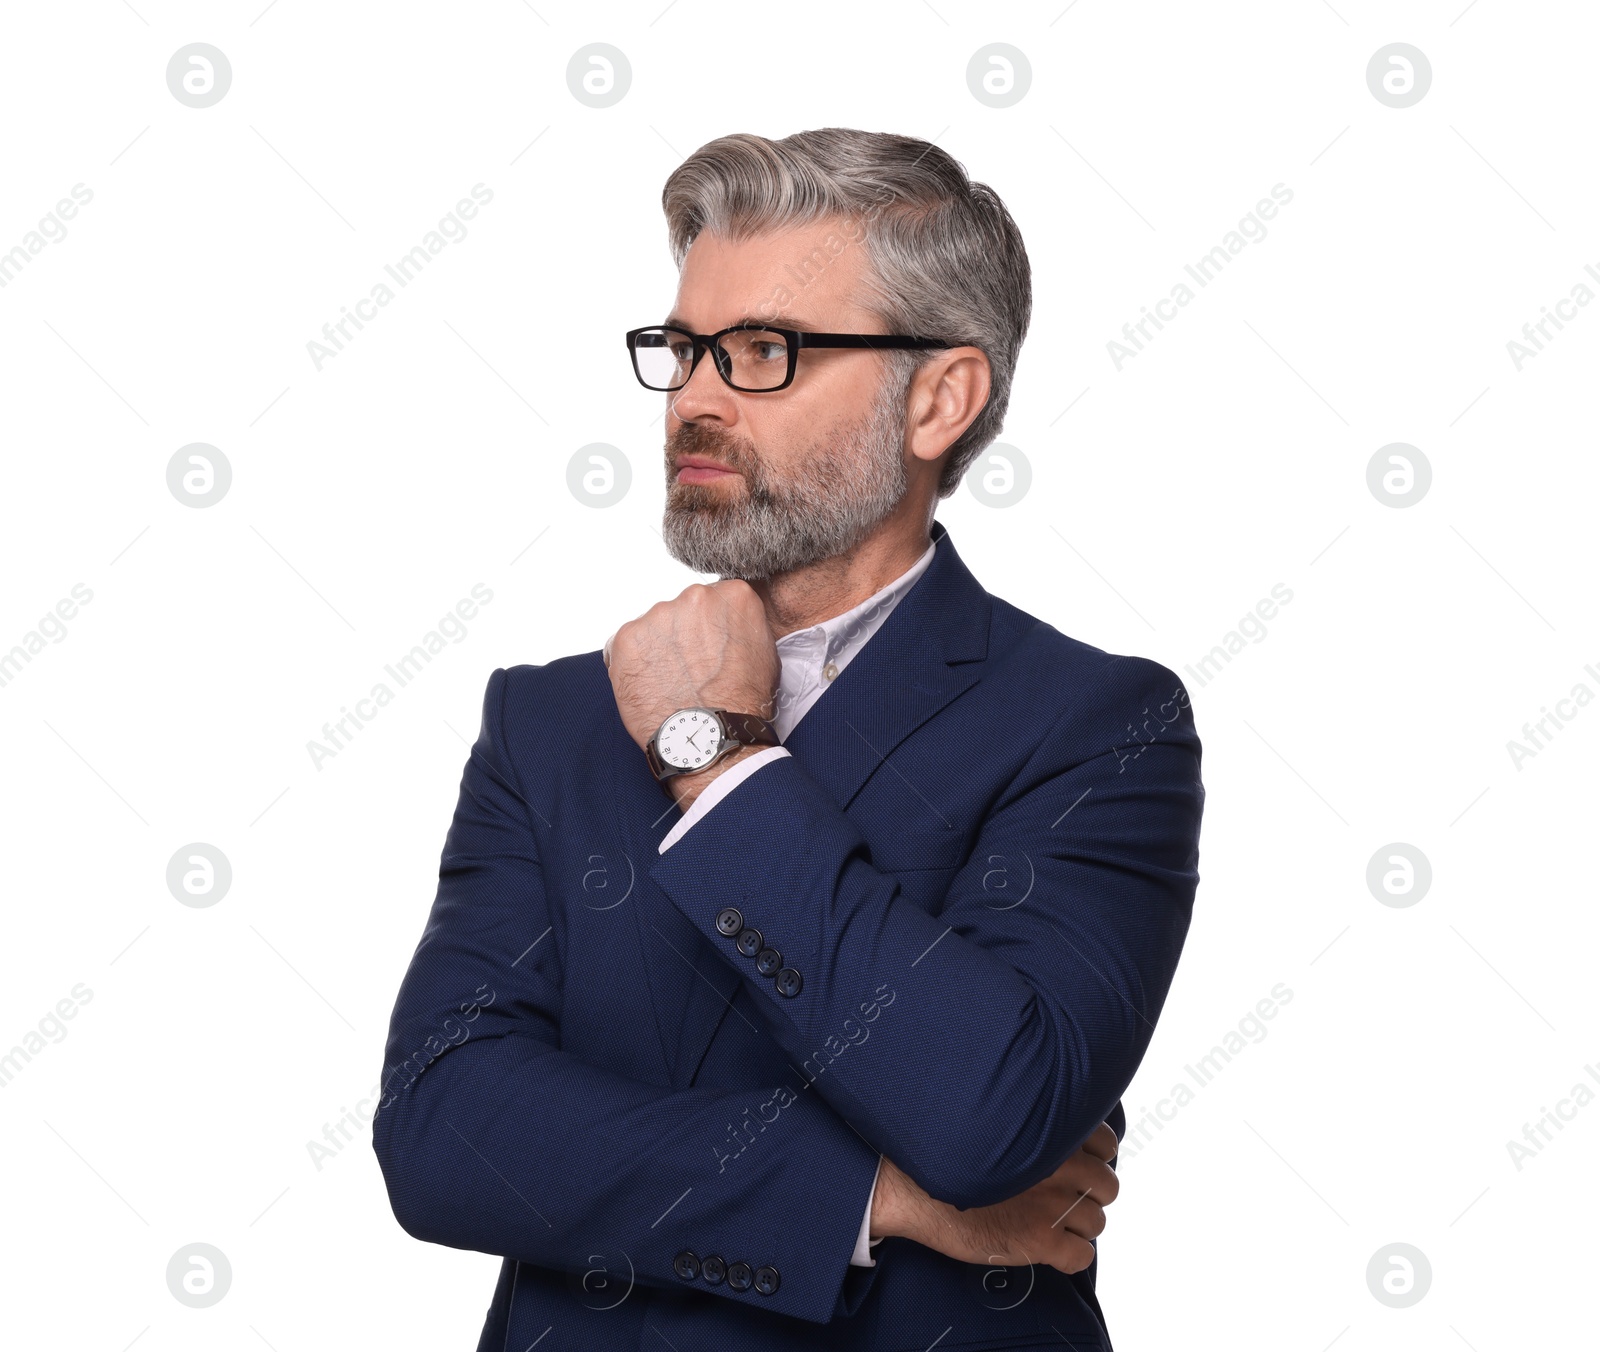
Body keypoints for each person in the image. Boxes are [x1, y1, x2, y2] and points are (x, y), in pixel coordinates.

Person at [373, 127, 1204, 1352]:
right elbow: (444, 1129)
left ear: (938, 398)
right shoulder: (548, 717)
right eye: (684, 347)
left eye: (763, 350)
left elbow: (988, 1107)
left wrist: (718, 758)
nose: (696, 397)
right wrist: (878, 1194)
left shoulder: (1096, 725)